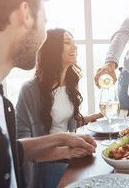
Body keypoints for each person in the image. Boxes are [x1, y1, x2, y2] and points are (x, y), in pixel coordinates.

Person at [0, 0, 97, 188]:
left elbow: (12, 151)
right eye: (44, 21)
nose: (44, 34)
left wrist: (64, 139)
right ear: (25, 13)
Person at [16, 28, 102, 187]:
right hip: (46, 163)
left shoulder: (69, 83)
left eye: (74, 43)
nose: (75, 47)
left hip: (69, 154)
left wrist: (96, 116)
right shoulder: (30, 90)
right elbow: (21, 149)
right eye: (67, 42)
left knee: (106, 169)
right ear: (52, 49)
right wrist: (67, 151)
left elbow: (64, 122)